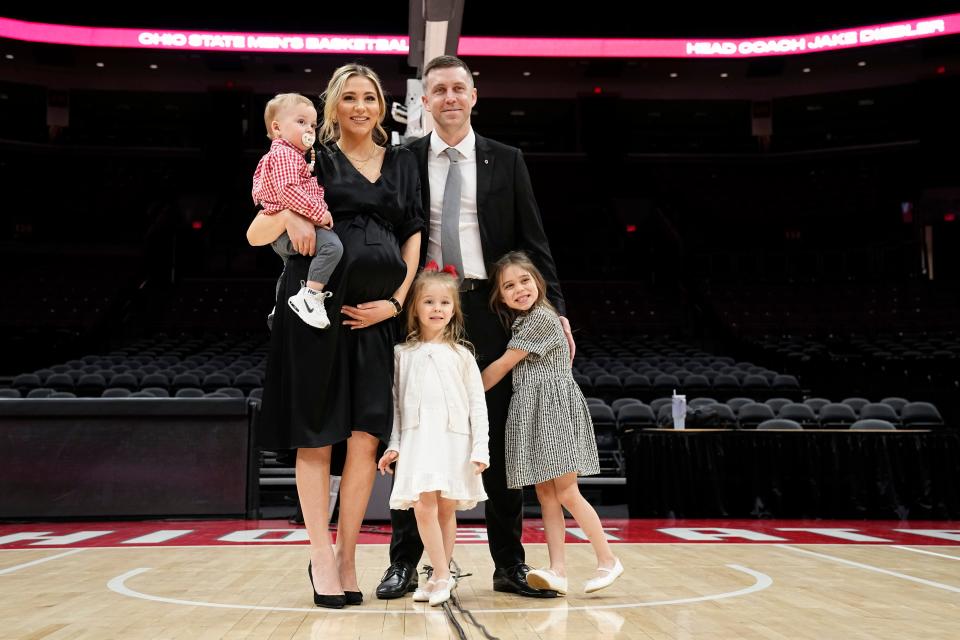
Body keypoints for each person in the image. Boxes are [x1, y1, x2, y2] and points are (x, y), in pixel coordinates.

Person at [377, 55, 575, 600]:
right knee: (416, 434)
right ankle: (403, 563)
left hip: (491, 311)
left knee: (504, 439)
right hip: (427, 308)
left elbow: (534, 241)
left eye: (458, 88)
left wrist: (554, 310)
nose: (449, 97)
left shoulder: (506, 160)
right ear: (424, 101)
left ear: (473, 95)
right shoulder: (404, 159)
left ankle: (508, 564)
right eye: (438, 89)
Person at [246, 64, 424, 609]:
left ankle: (348, 554)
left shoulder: (403, 161)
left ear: (380, 104)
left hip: (376, 316)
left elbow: (414, 236)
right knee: (317, 432)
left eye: (369, 97)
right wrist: (291, 221)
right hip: (315, 310)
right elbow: (257, 231)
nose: (360, 107)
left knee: (367, 436)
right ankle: (320, 554)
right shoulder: (310, 156)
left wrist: (395, 303)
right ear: (332, 105)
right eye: (348, 98)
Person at [481, 251, 623, 595]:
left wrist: (463, 392)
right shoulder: (522, 321)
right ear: (501, 296)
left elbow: (499, 368)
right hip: (534, 409)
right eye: (509, 286)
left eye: (525, 280)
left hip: (552, 408)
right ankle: (557, 568)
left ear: (539, 282)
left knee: (566, 491)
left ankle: (607, 559)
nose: (519, 289)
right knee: (546, 493)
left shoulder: (542, 319)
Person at [376, 263, 490, 606]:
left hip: (454, 439)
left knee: (445, 510)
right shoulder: (401, 354)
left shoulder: (463, 354)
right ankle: (441, 574)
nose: (437, 308)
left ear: (454, 308)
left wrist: (480, 447)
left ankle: (441, 574)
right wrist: (393, 445)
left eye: (444, 302)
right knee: (423, 506)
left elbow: (477, 406)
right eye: (428, 302)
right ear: (414, 308)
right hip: (417, 440)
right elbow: (395, 406)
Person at [252, 93, 342, 329]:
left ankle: (279, 306)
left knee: (288, 269)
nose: (309, 129)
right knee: (332, 247)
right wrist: (318, 213)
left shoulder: (295, 156)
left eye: (313, 124)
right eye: (301, 122)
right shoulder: (284, 154)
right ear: (277, 128)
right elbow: (288, 190)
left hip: (282, 230)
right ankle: (310, 297)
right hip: (284, 230)